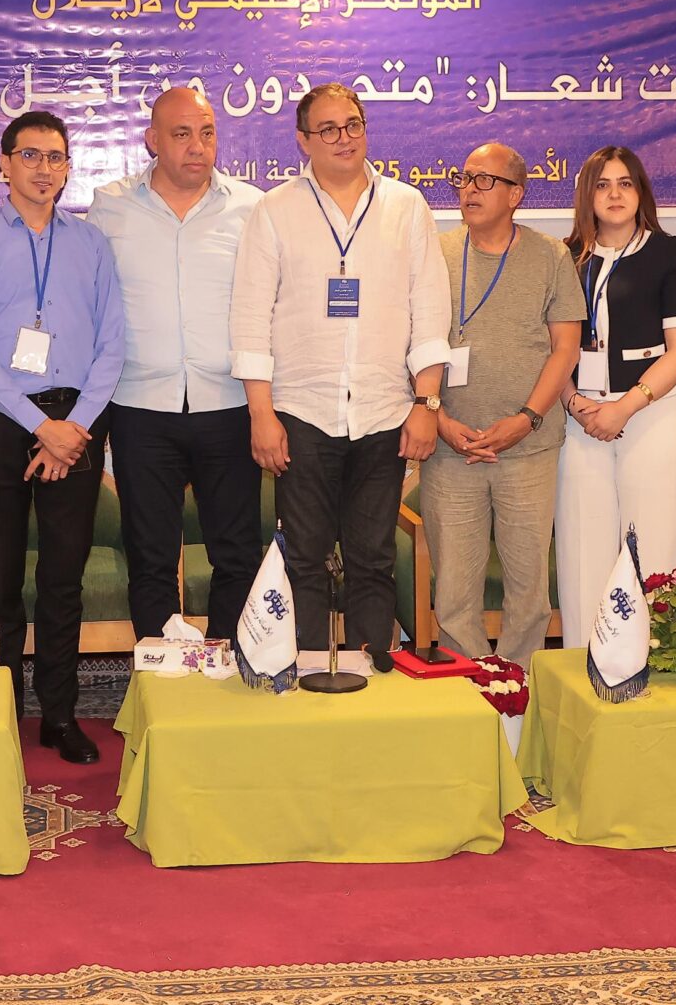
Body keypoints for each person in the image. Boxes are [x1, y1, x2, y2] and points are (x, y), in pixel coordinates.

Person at [231, 83, 448, 669]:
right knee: (303, 559)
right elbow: (250, 318)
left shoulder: (406, 206)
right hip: (300, 414)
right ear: (303, 140)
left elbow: (430, 312)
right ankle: (306, 678)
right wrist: (261, 414)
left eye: (352, 124)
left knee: (373, 558)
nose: (344, 137)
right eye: (328, 128)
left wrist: (426, 405)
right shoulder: (275, 210)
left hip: (384, 411)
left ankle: (371, 682)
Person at [0, 110, 126, 763]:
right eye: (30, 155)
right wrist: (40, 429)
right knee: (0, 578)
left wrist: (73, 429)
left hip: (78, 421)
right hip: (2, 421)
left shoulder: (92, 244)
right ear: (4, 164)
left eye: (56, 157)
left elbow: (112, 344)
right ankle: (1, 710)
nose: (44, 169)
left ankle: (58, 715)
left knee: (62, 578)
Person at [89, 87, 264, 641]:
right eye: (182, 134)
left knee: (237, 553)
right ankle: (160, 675)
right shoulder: (110, 207)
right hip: (140, 407)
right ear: (152, 141)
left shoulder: (251, 207)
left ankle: (229, 672)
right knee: (150, 557)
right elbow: (88, 301)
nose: (197, 146)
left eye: (207, 133)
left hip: (229, 404)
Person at [421, 142, 581, 662]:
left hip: (527, 450)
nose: (470, 189)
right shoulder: (433, 254)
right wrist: (439, 419)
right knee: (453, 594)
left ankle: (519, 686)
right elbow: (408, 343)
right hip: (451, 450)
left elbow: (565, 348)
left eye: (484, 180)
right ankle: (467, 687)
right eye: (464, 178)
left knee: (528, 593)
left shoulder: (551, 255)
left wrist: (527, 419)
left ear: (516, 195)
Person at [556, 147, 676, 645]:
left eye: (625, 183)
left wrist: (623, 407)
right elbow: (549, 350)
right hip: (581, 421)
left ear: (641, 192)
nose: (614, 194)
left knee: (653, 555)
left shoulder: (670, 253)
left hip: (653, 417)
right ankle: (582, 673)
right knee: (582, 556)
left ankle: (652, 668)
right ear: (586, 194)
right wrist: (574, 403)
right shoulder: (565, 257)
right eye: (602, 184)